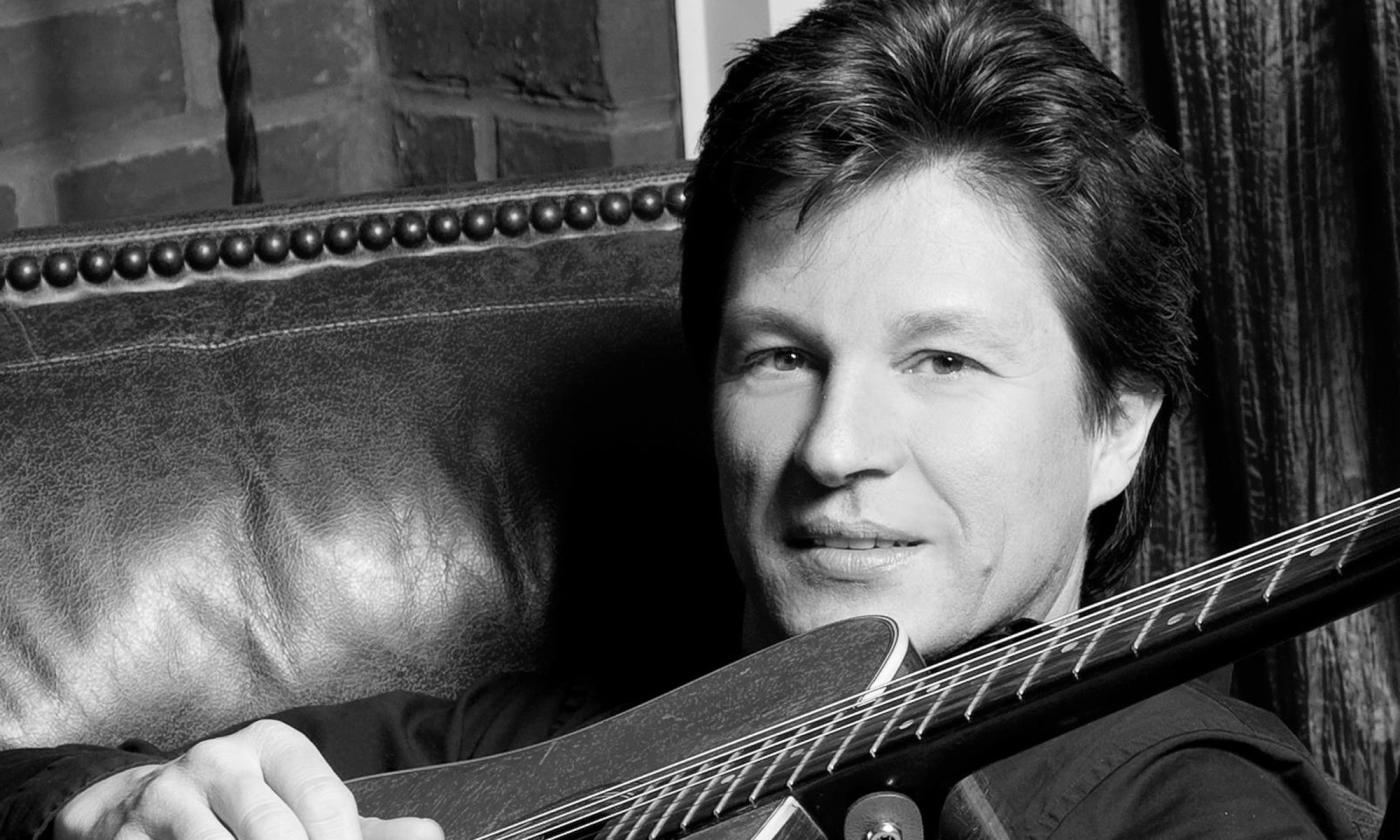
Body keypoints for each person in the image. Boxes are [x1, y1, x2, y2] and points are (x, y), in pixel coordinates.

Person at [0, 0, 1370, 838]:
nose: (835, 448)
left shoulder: (1193, 801)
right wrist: (116, 811)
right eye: (778, 357)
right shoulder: (542, 740)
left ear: (1116, 427)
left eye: (944, 362)